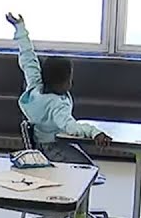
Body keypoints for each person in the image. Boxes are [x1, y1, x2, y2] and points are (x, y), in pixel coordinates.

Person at [9, 12, 111, 166]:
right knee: (88, 170)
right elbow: (71, 127)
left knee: (87, 169)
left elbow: (28, 58)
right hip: (52, 148)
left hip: (40, 146)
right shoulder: (57, 105)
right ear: (62, 82)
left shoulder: (35, 86)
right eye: (69, 79)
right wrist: (95, 132)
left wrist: (20, 29)